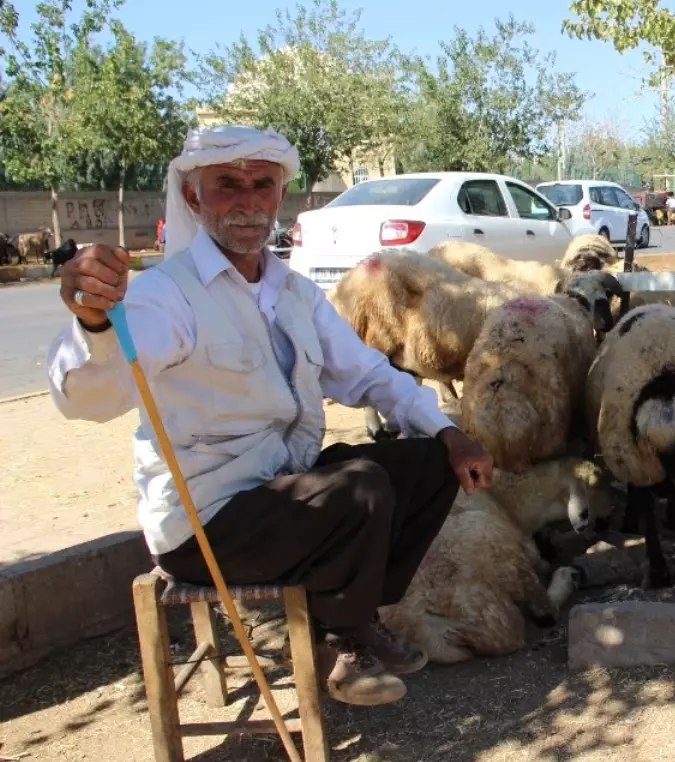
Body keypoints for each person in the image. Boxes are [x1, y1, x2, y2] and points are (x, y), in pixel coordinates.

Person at [47, 125, 494, 707]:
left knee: (429, 462)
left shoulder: (294, 292)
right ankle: (344, 636)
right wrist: (94, 325)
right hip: (208, 525)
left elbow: (366, 373)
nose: (247, 201)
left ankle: (352, 614)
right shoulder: (167, 294)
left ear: (278, 196)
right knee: (361, 488)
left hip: (286, 495)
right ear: (193, 197)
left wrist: (450, 431)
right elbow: (90, 397)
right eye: (227, 185)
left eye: (262, 184)